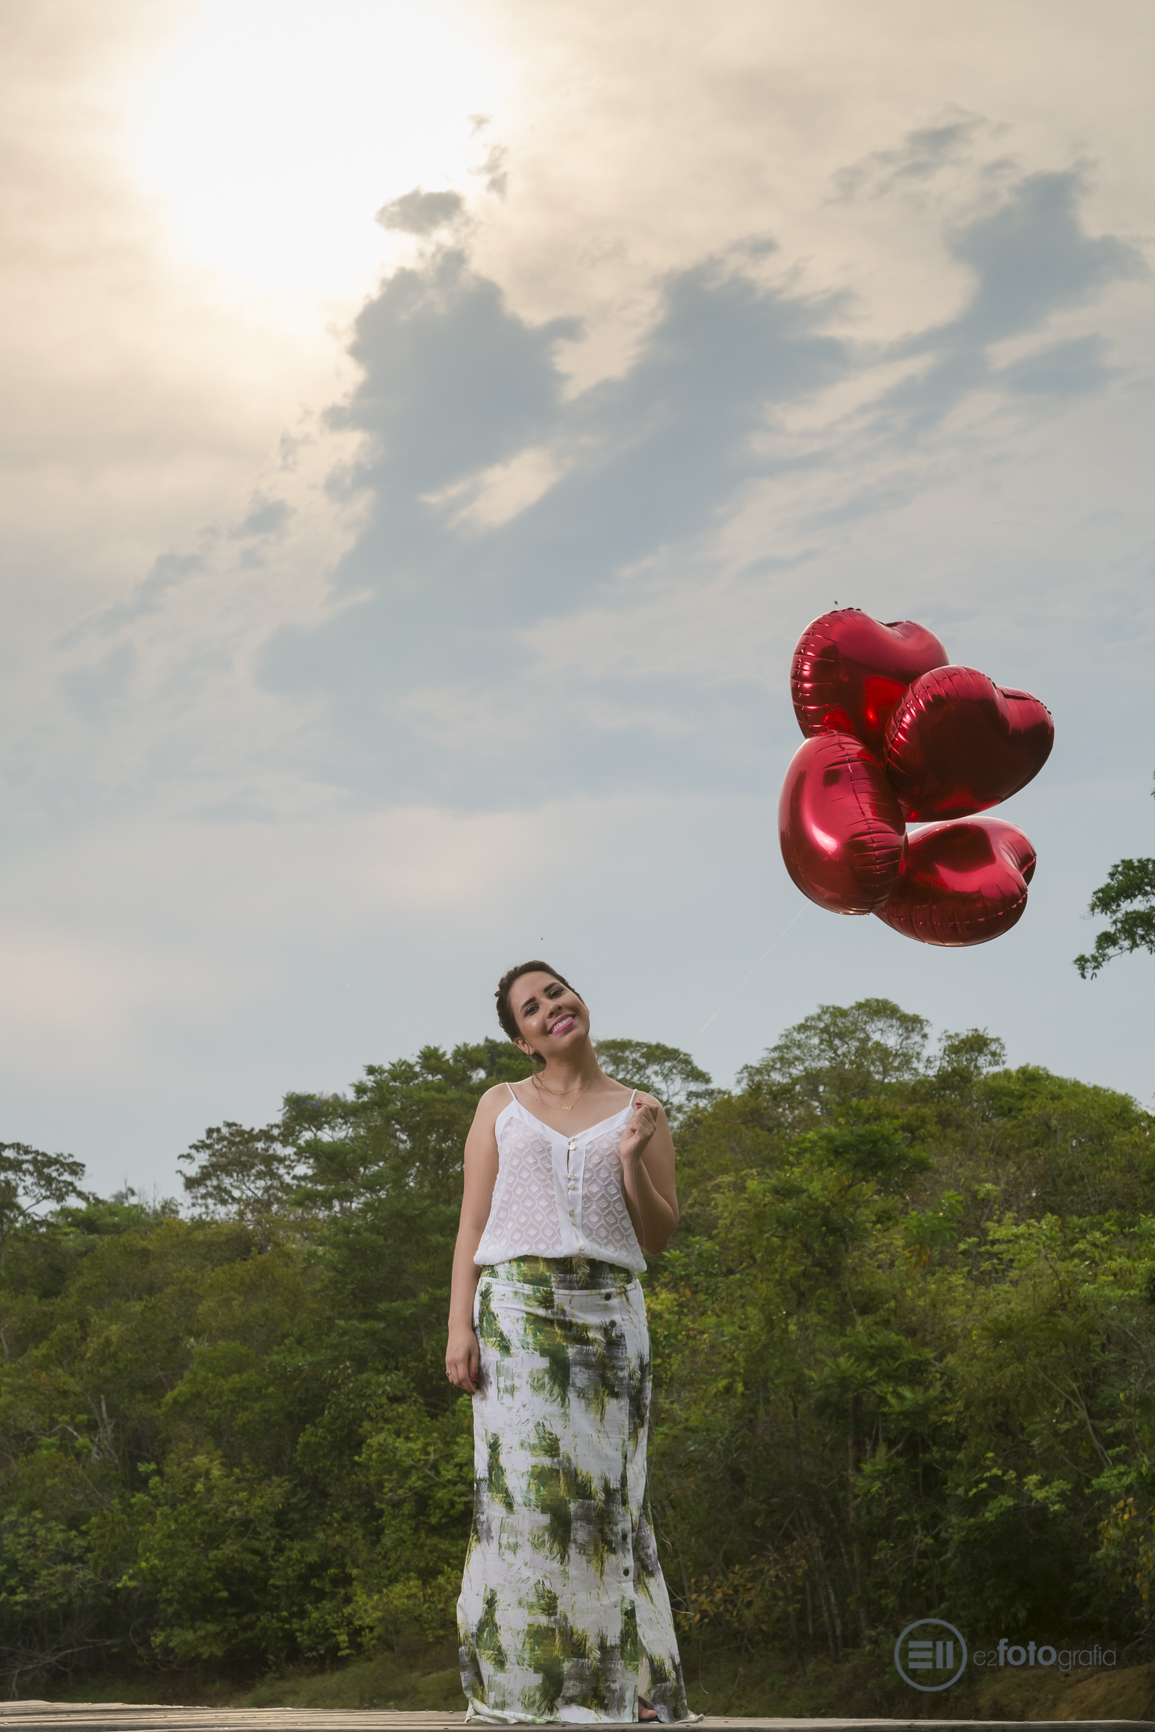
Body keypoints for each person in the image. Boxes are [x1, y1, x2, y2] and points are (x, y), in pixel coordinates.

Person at [447, 962, 697, 1726]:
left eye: (556, 992)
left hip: (610, 1317)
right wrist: (458, 1326)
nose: (551, 1007)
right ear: (522, 1038)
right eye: (532, 1006)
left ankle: (627, 1690)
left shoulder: (639, 1109)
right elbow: (472, 1224)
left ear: (578, 1002)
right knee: (527, 1501)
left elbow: (656, 1234)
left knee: (608, 1504)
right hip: (516, 1314)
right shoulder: (500, 1106)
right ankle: (525, 1690)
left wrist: (629, 1156)